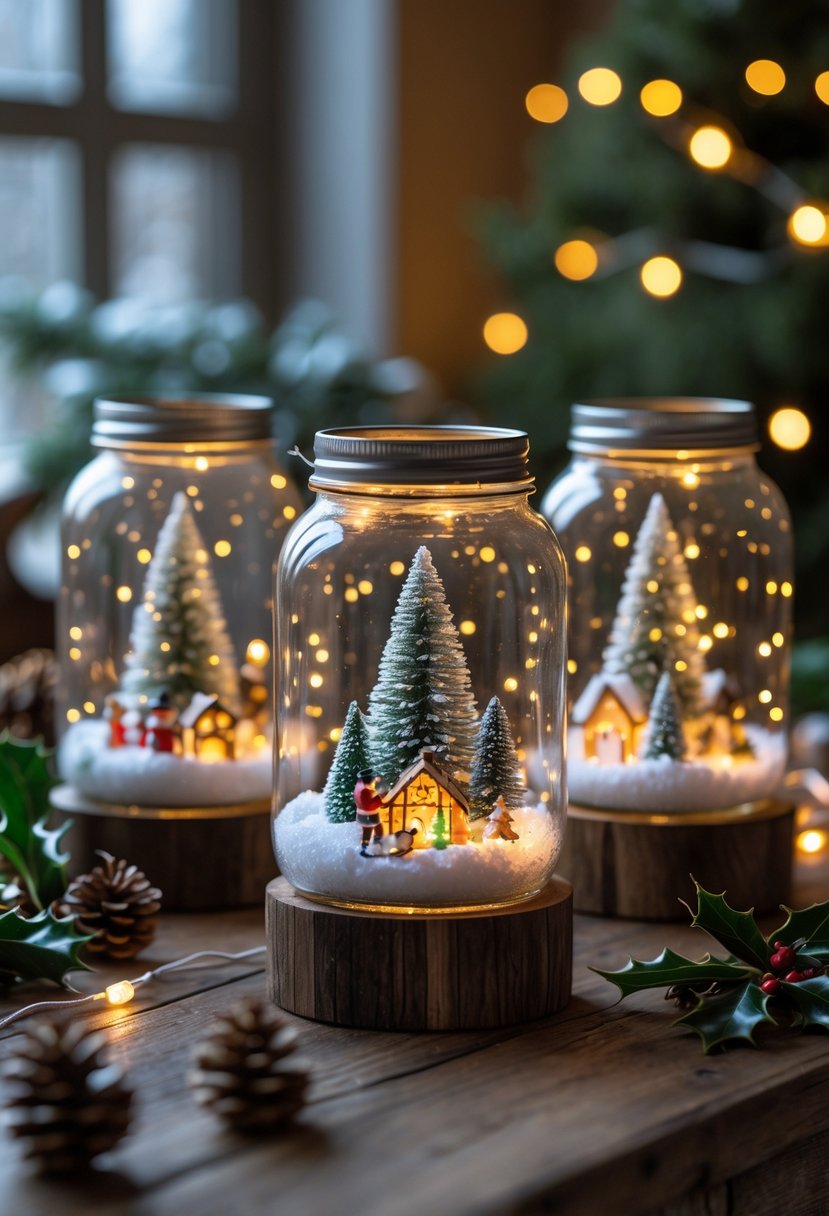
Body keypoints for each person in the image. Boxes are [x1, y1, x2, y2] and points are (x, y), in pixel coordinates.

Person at [353, 769, 386, 856]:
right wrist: (379, 799)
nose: (374, 780)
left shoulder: (360, 787)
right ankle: (367, 848)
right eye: (373, 779)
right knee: (371, 831)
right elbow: (368, 806)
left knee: (374, 830)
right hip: (368, 816)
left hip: (365, 815)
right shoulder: (364, 790)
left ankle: (371, 846)